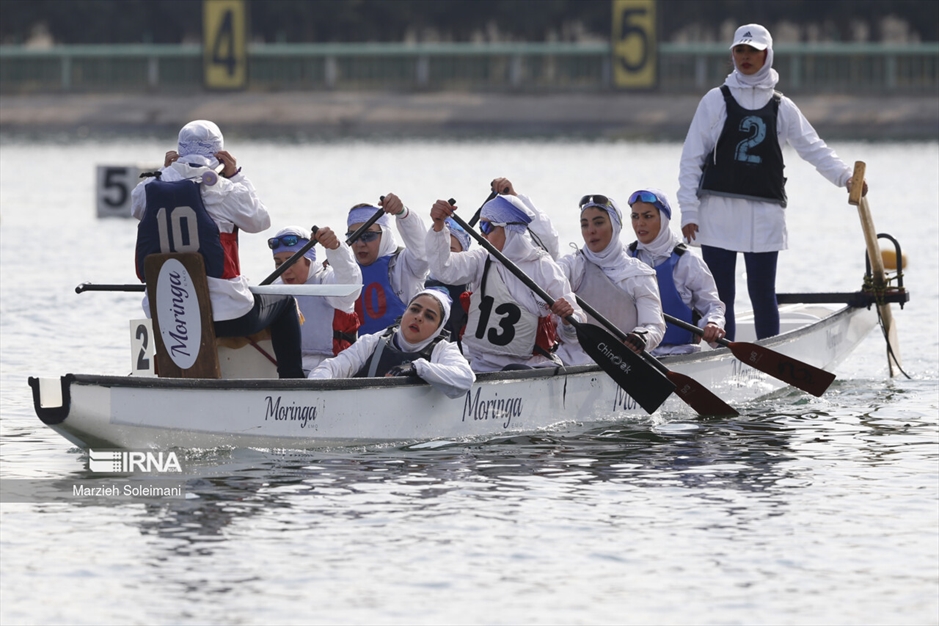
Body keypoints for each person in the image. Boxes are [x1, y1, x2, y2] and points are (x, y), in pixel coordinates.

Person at [677, 23, 867, 340]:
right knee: (721, 297)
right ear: (732, 54)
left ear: (767, 55)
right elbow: (691, 158)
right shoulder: (715, 100)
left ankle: (768, 356)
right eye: (740, 50)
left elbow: (813, 148)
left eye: (754, 51)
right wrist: (689, 210)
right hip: (718, 212)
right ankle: (725, 356)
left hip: (764, 214)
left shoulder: (782, 106)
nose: (746, 57)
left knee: (763, 293)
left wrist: (846, 177)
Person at [132, 120, 304, 378]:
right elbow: (260, 221)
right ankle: (293, 382)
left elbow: (135, 208)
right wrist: (236, 175)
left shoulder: (147, 189)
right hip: (227, 316)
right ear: (219, 154)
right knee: (287, 303)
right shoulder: (222, 189)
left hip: (165, 314)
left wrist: (165, 170)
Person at [428, 194, 584, 373]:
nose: (482, 234)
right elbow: (443, 269)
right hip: (481, 366)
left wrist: (567, 318)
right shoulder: (482, 259)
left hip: (530, 367)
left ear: (510, 229)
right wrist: (439, 226)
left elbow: (572, 334)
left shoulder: (544, 267)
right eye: (480, 226)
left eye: (487, 227)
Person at [556, 193, 665, 366]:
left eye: (598, 223)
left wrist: (642, 337)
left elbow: (654, 326)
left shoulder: (639, 275)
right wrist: (566, 322)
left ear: (615, 226)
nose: (591, 230)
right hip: (570, 362)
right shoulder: (571, 266)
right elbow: (568, 336)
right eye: (584, 225)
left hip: (620, 364)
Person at [309, 288, 475, 399]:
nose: (419, 317)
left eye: (429, 316)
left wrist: (417, 368)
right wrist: (316, 389)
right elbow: (330, 367)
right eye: (414, 309)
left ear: (438, 329)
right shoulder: (373, 341)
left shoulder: (443, 350)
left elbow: (466, 378)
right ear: (405, 312)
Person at [626, 188, 726, 355]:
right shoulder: (626, 257)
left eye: (648, 216)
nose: (640, 223)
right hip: (635, 353)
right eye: (635, 217)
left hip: (681, 352)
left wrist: (713, 323)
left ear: (664, 218)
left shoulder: (687, 261)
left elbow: (713, 305)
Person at [269, 225, 362, 374]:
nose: (285, 270)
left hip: (334, 367)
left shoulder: (326, 280)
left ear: (309, 260)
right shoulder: (275, 289)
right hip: (292, 367)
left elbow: (350, 287)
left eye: (291, 261)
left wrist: (336, 248)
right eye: (279, 263)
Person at [347, 194, 429, 336]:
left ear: (385, 234)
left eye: (368, 235)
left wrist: (403, 214)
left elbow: (423, 254)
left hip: (401, 346)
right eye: (353, 237)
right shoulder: (345, 273)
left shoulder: (405, 265)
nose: (360, 244)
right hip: (360, 349)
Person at [425, 217, 472, 346]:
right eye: (439, 249)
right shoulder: (421, 280)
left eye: (450, 250)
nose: (443, 256)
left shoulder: (471, 288)